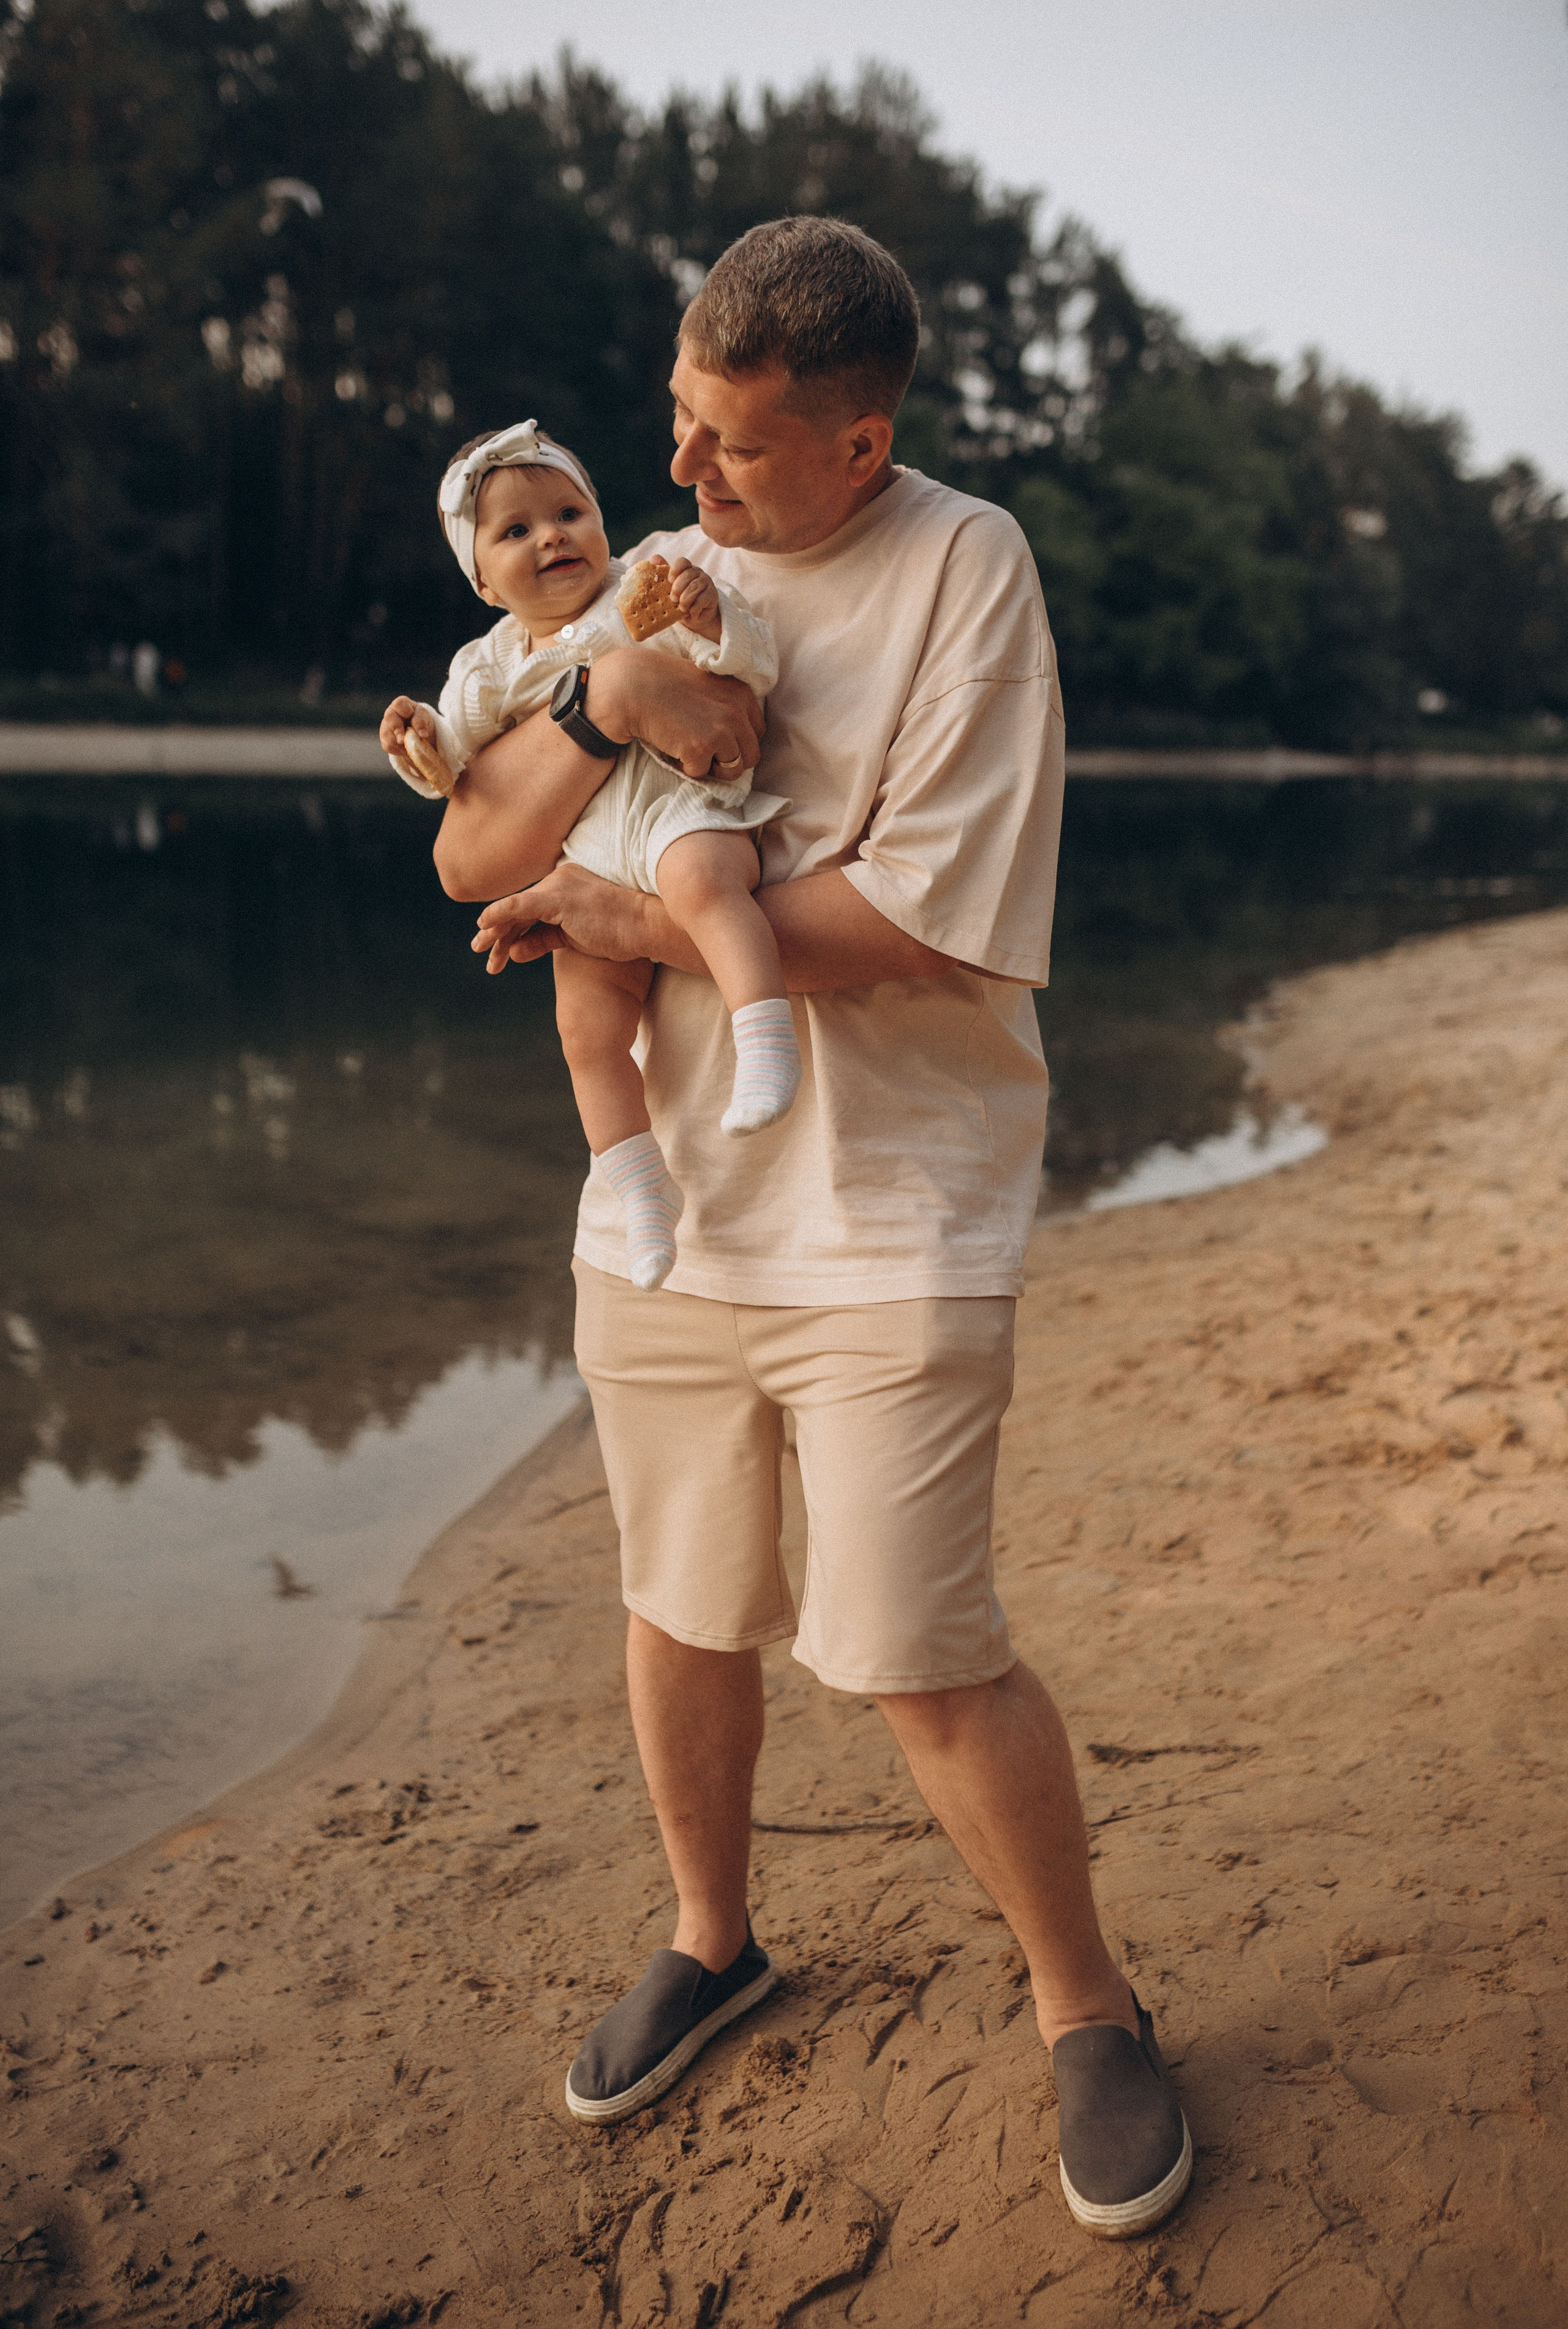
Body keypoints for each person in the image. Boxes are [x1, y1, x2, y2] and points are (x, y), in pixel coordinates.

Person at [434, 217, 1191, 2241]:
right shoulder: (644, 578)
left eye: (737, 450)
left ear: (862, 445)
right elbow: (472, 849)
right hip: (667, 1213)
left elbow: (923, 909)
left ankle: (1088, 2003)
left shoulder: (966, 570)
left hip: (895, 1216)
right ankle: (712, 1934)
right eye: (675, 423)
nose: (685, 477)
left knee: (919, 1654)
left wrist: (624, 916)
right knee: (682, 1604)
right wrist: (598, 710)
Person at [379, 421, 799, 1290]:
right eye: (517, 531)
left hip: (679, 805)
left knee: (702, 884)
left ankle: (764, 1036)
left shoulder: (646, 586)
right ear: (482, 581)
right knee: (585, 1028)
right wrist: (420, 741)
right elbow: (458, 775)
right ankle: (641, 1192)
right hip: (590, 858)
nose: (553, 536)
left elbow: (749, 666)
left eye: (570, 512)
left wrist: (713, 620)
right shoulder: (487, 666)